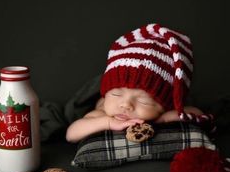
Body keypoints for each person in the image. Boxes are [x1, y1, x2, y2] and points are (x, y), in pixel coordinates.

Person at [66, 23, 210, 143]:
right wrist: (109, 123)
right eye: (116, 94)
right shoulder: (104, 113)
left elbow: (196, 113)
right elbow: (71, 134)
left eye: (144, 101)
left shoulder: (166, 109)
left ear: (165, 105)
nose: (125, 105)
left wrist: (162, 119)